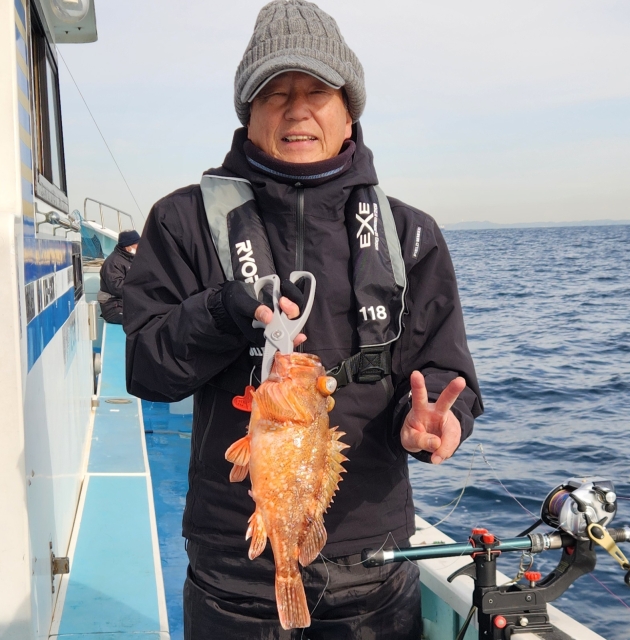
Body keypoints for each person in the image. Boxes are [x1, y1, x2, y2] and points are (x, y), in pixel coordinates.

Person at [123, 1, 483, 638]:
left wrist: (434, 421)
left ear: (349, 111)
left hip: (374, 567)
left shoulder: (410, 234)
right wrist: (221, 310)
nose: (297, 110)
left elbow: (442, 369)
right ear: (248, 111)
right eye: (274, 93)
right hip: (233, 568)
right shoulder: (182, 221)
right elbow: (147, 370)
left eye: (317, 91)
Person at [98, 229, 139, 324]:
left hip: (126, 304)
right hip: (113, 307)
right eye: (137, 244)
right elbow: (117, 288)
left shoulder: (129, 259)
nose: (140, 246)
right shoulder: (113, 262)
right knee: (142, 319)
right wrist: (139, 288)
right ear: (128, 246)